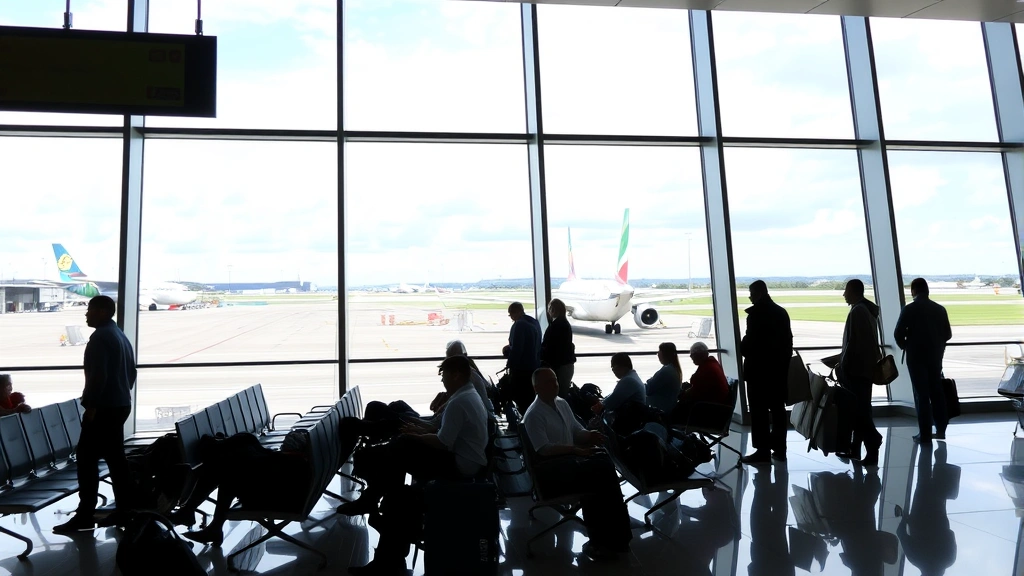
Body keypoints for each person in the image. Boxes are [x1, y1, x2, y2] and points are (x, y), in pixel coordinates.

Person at [345, 355, 488, 574]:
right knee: (396, 481)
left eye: (444, 375)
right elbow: (444, 435)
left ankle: (372, 497)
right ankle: (374, 497)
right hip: (465, 461)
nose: (442, 380)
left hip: (459, 466)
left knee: (400, 450)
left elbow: (442, 442)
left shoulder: (460, 401)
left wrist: (416, 437)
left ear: (456, 375)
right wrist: (417, 435)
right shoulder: (468, 395)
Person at [522, 368, 631, 560]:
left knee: (604, 464)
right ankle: (608, 539)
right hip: (552, 471)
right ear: (536, 388)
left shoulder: (562, 403)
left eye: (555, 380)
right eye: (548, 382)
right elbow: (543, 449)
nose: (555, 384)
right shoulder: (534, 414)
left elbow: (576, 430)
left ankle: (613, 538)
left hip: (569, 463)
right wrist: (575, 450)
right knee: (600, 477)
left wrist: (589, 435)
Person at [54, 295, 138, 534]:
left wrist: (91, 407)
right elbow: (131, 372)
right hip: (120, 403)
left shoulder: (100, 337)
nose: (86, 314)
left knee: (86, 460)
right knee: (116, 460)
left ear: (101, 311)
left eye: (89, 310)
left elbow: (97, 376)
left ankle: (85, 515)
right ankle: (125, 510)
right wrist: (122, 392)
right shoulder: (119, 334)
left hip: (103, 407)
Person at [181, 429, 312, 545]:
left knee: (224, 472)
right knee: (241, 445)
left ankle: (192, 513)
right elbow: (266, 461)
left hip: (276, 501)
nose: (282, 446)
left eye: (284, 445)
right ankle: (199, 518)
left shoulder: (290, 463)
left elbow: (263, 464)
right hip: (280, 494)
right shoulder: (295, 462)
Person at [740, 281, 794, 465]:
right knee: (778, 411)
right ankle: (780, 449)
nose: (750, 297)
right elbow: (788, 345)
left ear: (759, 293)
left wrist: (742, 346)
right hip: (778, 372)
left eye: (751, 294)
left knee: (759, 413)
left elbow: (749, 345)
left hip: (758, 373)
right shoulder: (781, 313)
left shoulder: (756, 315)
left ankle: (762, 451)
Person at [894, 278, 952, 443]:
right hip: (935, 356)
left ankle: (925, 433)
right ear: (927, 290)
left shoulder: (909, 309)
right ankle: (941, 429)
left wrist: (907, 345)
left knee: (922, 395)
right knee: (937, 392)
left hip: (916, 357)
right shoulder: (940, 309)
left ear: (913, 291)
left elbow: (898, 333)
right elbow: (948, 334)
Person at [839, 279, 883, 467]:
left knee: (859, 411)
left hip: (856, 371)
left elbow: (854, 344)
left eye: (846, 290)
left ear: (853, 291)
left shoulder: (857, 312)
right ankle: (855, 447)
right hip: (865, 369)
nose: (844, 294)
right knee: (862, 408)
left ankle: (873, 441)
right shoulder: (866, 311)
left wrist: (843, 364)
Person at [670, 342, 730, 426]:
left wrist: (682, 394)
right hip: (718, 405)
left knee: (676, 411)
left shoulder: (707, 369)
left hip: (709, 408)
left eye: (692, 354)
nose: (691, 357)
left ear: (699, 355)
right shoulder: (712, 364)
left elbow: (695, 392)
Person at [503, 301, 542, 413]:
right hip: (534, 367)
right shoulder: (534, 322)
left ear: (516, 312)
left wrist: (510, 364)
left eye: (511, 315)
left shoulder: (519, 325)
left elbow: (517, 349)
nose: (512, 318)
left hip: (521, 370)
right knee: (531, 400)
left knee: (521, 400)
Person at [541, 299, 576, 398]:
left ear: (553, 310)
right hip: (565, 365)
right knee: (561, 395)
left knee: (558, 395)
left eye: (550, 309)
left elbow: (552, 347)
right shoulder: (563, 324)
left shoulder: (557, 325)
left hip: (560, 366)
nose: (548, 311)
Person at [592, 352, 645, 417]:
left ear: (622, 366)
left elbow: (612, 401)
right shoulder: (632, 377)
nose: (613, 370)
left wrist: (599, 405)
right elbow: (614, 395)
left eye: (613, 366)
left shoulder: (628, 380)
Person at [645, 343, 683, 413]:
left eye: (659, 351)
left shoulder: (666, 371)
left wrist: (648, 381)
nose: (658, 354)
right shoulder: (674, 369)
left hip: (659, 408)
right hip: (668, 406)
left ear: (664, 354)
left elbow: (649, 389)